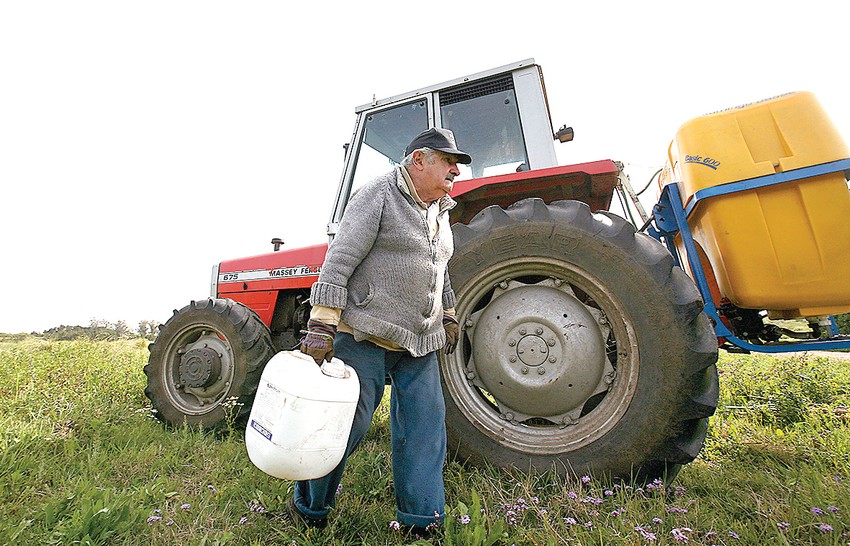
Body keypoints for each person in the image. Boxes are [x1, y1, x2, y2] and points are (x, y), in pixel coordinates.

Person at [289, 127, 472, 537]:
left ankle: (423, 521)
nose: (455, 171)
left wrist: (448, 313)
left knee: (426, 429)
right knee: (343, 426)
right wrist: (322, 322)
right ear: (419, 160)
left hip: (419, 341)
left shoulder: (440, 211)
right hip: (365, 335)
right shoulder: (378, 194)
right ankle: (310, 506)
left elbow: (440, 268)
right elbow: (341, 257)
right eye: (448, 161)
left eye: (457, 164)